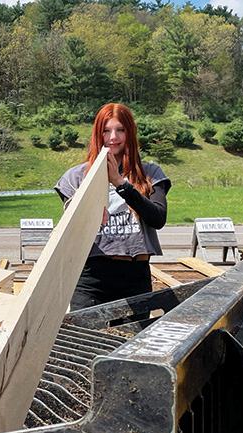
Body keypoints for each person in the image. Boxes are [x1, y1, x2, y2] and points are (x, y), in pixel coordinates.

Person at [55, 103, 171, 310]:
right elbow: (69, 230)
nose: (113, 138)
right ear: (97, 134)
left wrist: (120, 183)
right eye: (106, 131)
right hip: (91, 275)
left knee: (135, 340)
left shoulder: (150, 173)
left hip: (134, 274)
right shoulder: (75, 176)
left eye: (120, 130)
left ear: (130, 133)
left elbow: (158, 218)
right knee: (86, 341)